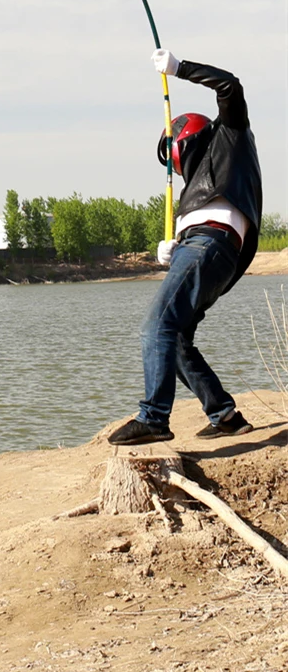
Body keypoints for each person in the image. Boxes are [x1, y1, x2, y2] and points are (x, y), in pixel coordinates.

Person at [108, 49, 262, 445]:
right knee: (174, 336)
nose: (176, 168)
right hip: (208, 249)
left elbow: (230, 86)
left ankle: (154, 418)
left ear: (185, 141)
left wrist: (180, 69)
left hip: (211, 245)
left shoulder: (228, 139)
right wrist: (173, 248)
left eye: (174, 160)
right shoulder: (196, 187)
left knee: (156, 324)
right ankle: (225, 415)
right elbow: (204, 225)